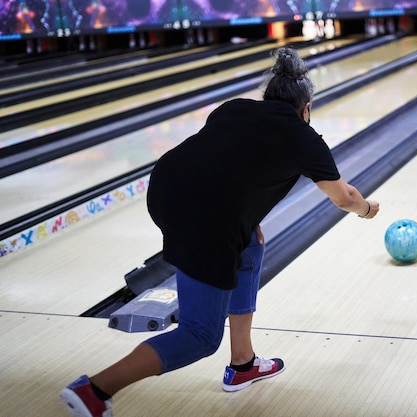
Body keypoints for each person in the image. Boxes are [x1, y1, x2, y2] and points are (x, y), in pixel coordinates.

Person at [59, 46, 380, 417]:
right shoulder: (306, 139)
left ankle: (243, 364)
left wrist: (246, 214)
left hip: (164, 190)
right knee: (199, 335)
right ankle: (94, 390)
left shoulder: (234, 108)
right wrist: (367, 210)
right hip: (202, 220)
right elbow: (344, 198)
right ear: (306, 108)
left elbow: (221, 161)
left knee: (249, 247)